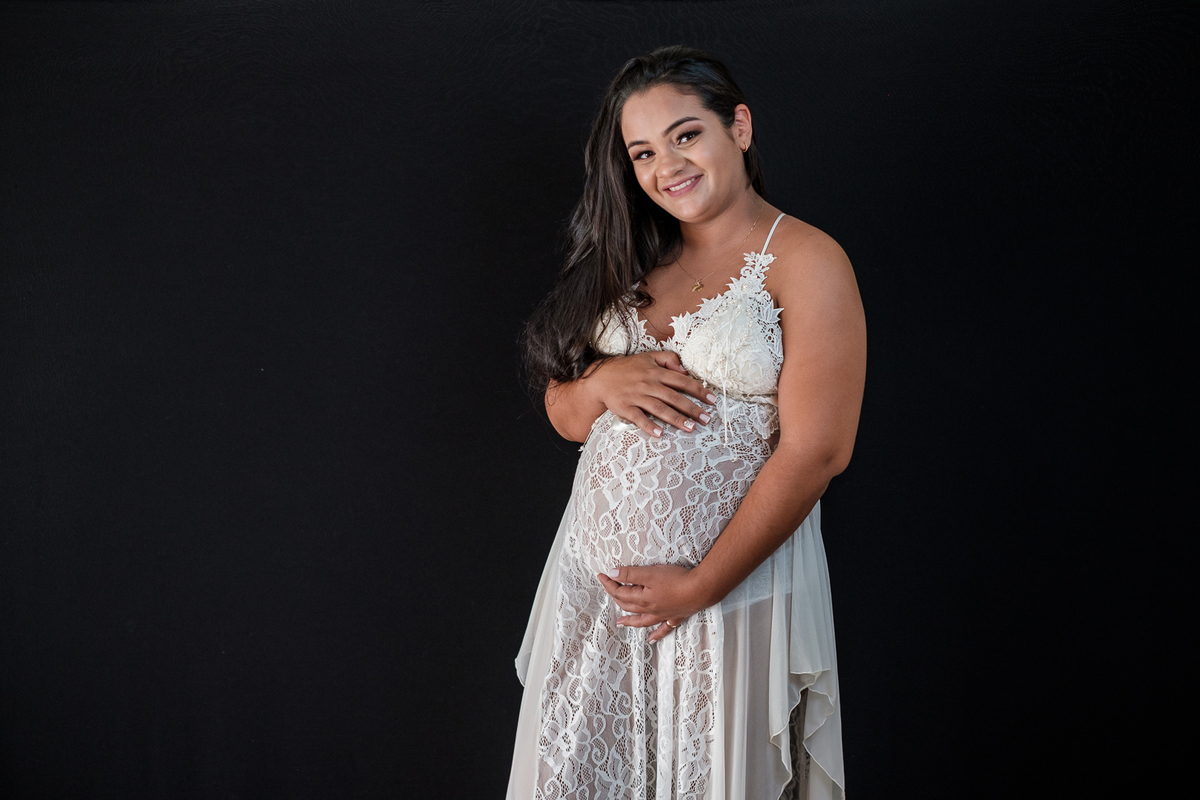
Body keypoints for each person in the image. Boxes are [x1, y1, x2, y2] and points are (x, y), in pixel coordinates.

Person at [507, 46, 865, 800]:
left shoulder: (806, 259)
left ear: (739, 126)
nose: (666, 165)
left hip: (728, 592)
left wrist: (701, 584)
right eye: (642, 152)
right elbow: (564, 415)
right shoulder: (631, 259)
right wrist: (600, 380)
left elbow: (818, 450)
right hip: (596, 599)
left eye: (685, 135)